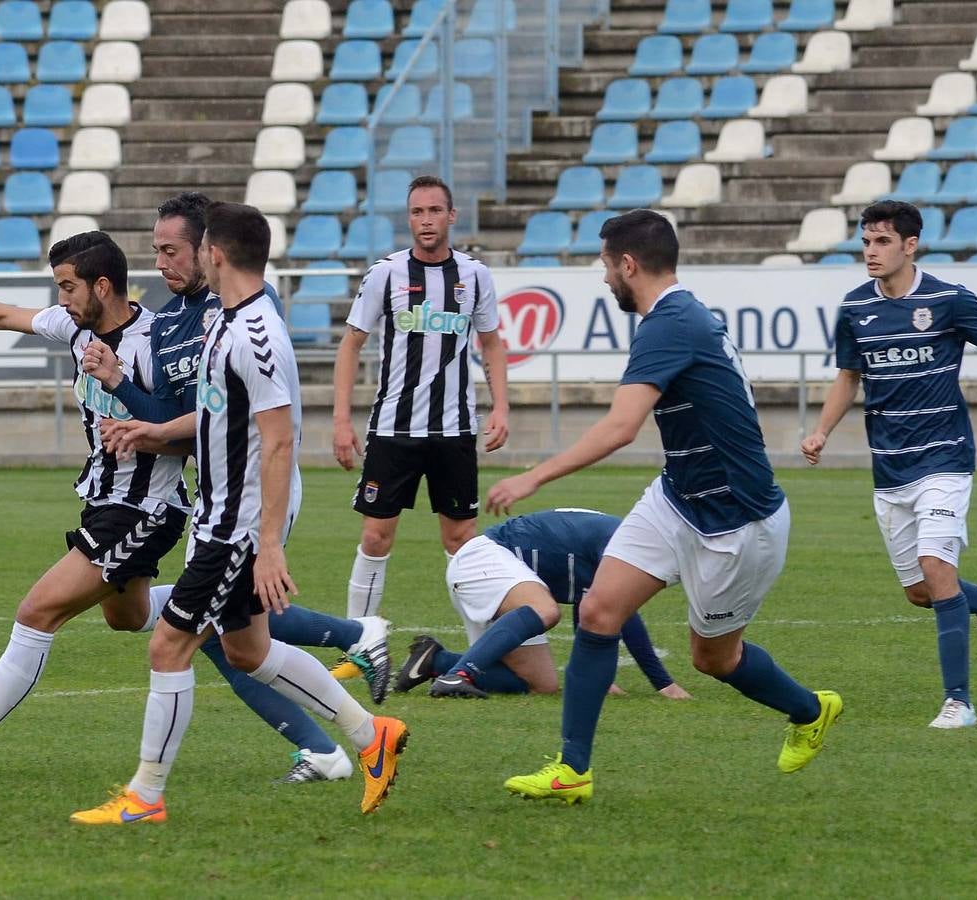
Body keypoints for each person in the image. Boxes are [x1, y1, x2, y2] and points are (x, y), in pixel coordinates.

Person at [0, 232, 375, 785]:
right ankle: (347, 641)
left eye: (68, 287)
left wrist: (141, 422)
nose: (61, 299)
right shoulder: (74, 326)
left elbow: (200, 427)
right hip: (102, 502)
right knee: (131, 617)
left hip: (145, 509)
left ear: (102, 286)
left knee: (37, 612)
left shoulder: (158, 340)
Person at [486, 209, 841, 806]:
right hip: (678, 496)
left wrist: (534, 476)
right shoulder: (679, 316)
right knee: (598, 611)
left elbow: (622, 427)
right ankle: (572, 769)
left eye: (605, 265)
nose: (603, 279)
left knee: (713, 659)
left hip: (738, 521)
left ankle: (810, 710)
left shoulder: (669, 323)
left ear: (628, 264)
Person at [70, 203, 408, 825]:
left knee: (168, 648)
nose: (184, 256)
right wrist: (140, 416)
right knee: (249, 651)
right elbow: (211, 420)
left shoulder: (258, 335)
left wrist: (268, 543)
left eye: (193, 249)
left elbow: (279, 442)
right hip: (217, 515)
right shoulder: (224, 322)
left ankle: (145, 796)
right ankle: (371, 736)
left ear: (215, 254)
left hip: (238, 525)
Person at [801, 200, 977, 729]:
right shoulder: (854, 308)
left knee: (937, 571)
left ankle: (959, 702)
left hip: (946, 457)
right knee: (922, 592)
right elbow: (849, 376)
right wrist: (822, 429)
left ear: (910, 245)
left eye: (882, 241)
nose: (871, 251)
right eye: (866, 241)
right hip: (890, 467)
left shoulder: (949, 300)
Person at [329, 175, 510, 660]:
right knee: (375, 535)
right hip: (393, 428)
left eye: (434, 211)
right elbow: (351, 343)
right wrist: (341, 420)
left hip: (454, 431)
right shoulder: (385, 273)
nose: (425, 220)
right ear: (408, 218)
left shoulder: (475, 275)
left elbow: (491, 341)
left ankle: (477, 657)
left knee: (461, 541)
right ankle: (358, 650)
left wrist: (502, 406)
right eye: (417, 212)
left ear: (451, 217)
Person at [393, 507, 691, 701]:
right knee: (546, 610)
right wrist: (664, 684)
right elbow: (622, 614)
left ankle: (437, 661)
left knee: (542, 685)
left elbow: (592, 612)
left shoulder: (623, 537)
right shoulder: (621, 542)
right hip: (483, 560)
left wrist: (598, 677)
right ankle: (459, 676)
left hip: (502, 576)